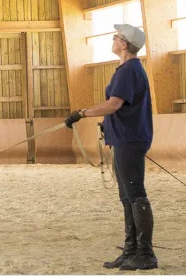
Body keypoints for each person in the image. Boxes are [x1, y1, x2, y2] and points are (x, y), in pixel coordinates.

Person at [65, 23, 157, 271]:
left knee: (135, 193)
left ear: (124, 44)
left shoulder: (128, 71)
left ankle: (145, 253)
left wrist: (82, 113)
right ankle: (131, 251)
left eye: (115, 37)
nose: (113, 40)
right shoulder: (127, 69)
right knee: (127, 196)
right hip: (125, 136)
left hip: (130, 138)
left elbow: (113, 104)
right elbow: (116, 106)